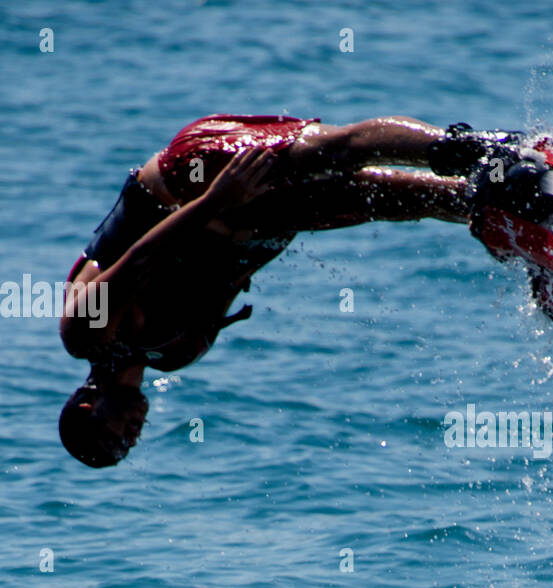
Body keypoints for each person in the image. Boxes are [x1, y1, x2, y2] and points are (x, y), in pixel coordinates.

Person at [58, 115, 522, 467]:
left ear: (86, 405)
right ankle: (513, 205)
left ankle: (480, 150)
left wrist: (216, 199)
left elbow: (140, 257)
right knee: (391, 199)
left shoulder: (83, 333)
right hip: (251, 225)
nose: (132, 437)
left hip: (194, 181)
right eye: (127, 448)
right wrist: (285, 221)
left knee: (334, 151)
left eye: (114, 437)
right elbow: (227, 277)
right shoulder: (175, 353)